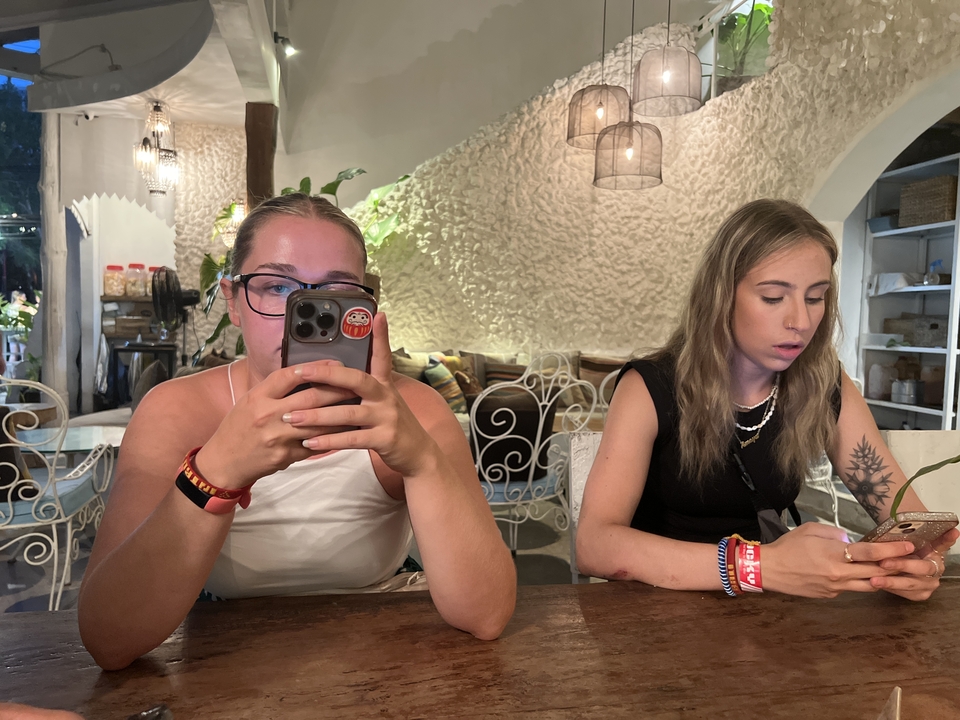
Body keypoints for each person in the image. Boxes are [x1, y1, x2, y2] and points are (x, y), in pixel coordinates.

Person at [78, 194, 516, 670]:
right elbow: (109, 638)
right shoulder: (176, 410)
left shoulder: (410, 410)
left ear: (366, 307)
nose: (306, 315)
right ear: (234, 301)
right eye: (276, 287)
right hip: (222, 660)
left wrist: (422, 460)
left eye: (337, 290)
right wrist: (217, 469)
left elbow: (486, 616)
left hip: (380, 654)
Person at [577, 199, 958, 600]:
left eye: (815, 297)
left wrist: (921, 561)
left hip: (767, 617)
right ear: (721, 297)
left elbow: (909, 521)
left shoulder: (824, 384)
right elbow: (594, 545)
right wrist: (760, 566)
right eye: (774, 297)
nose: (801, 321)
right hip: (657, 610)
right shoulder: (650, 387)